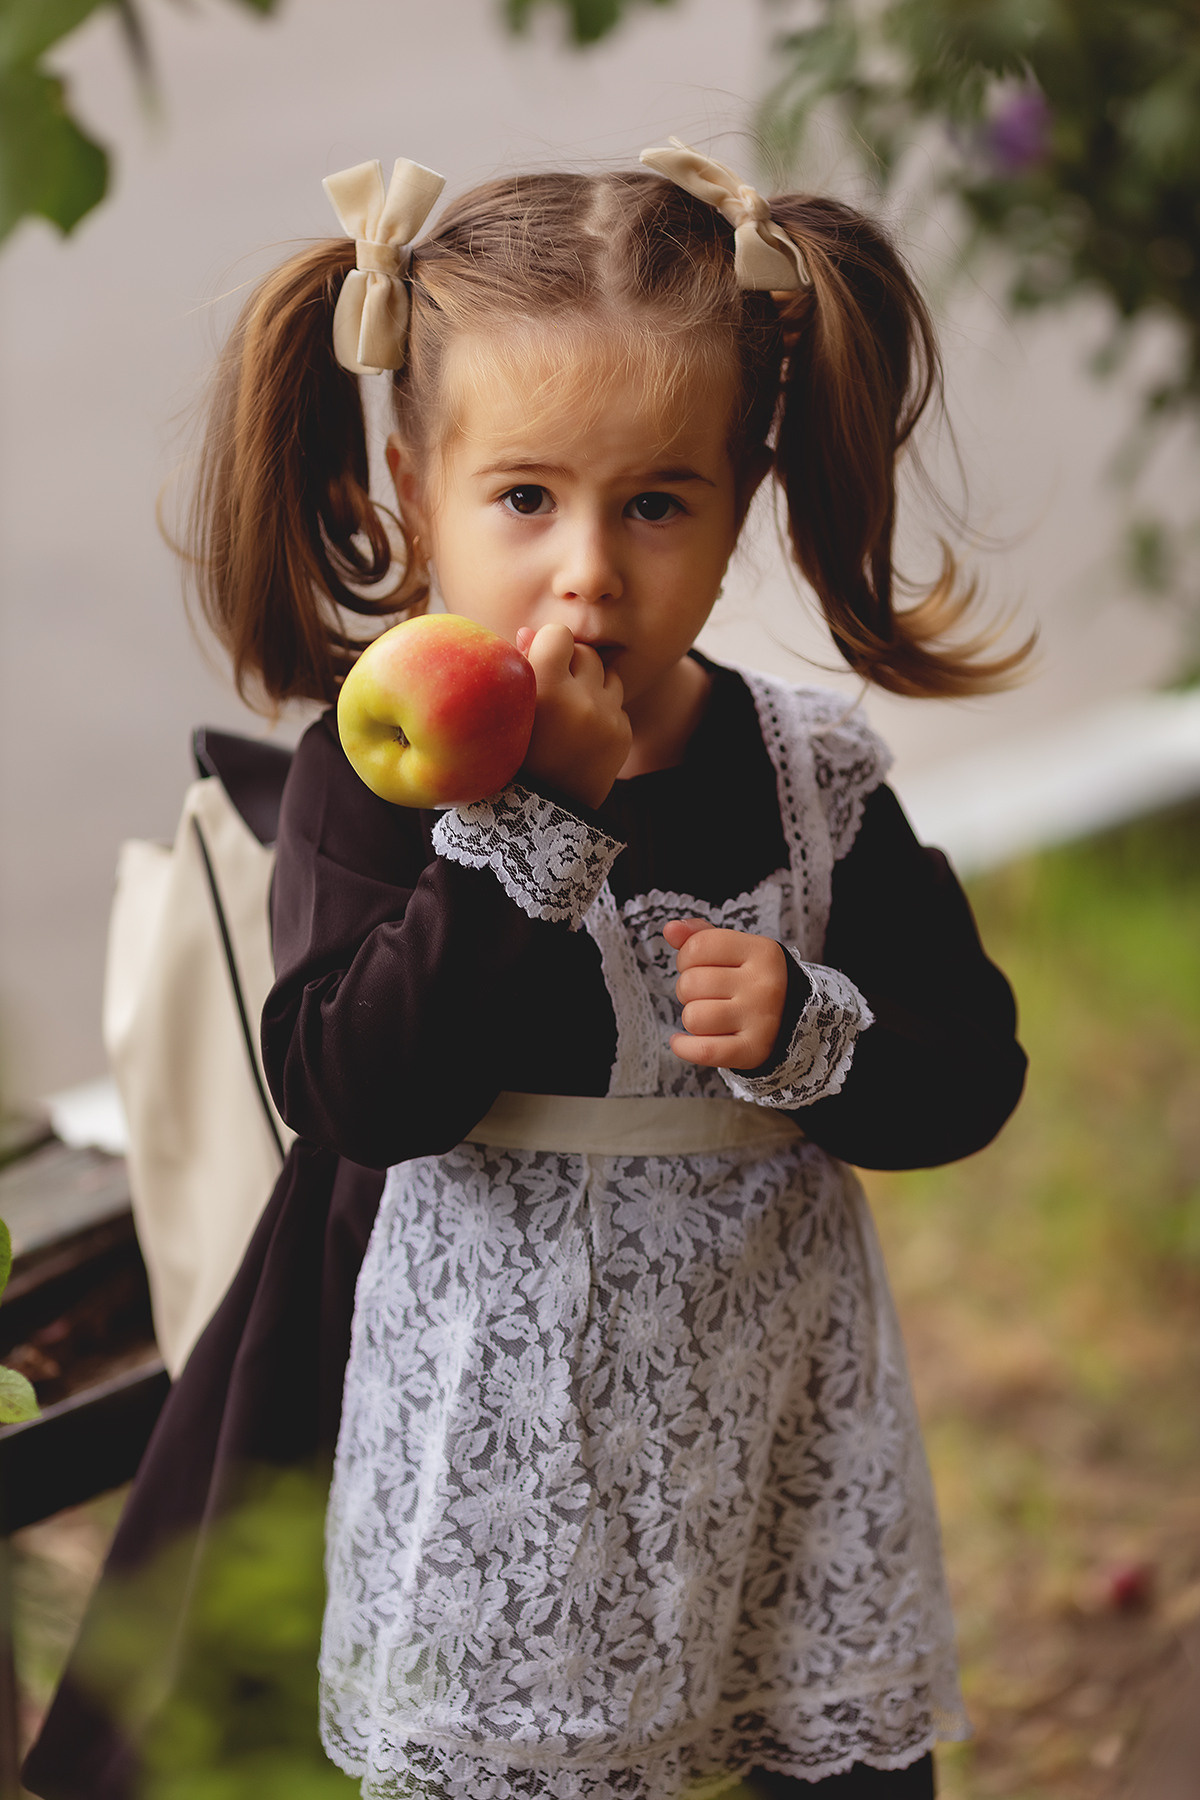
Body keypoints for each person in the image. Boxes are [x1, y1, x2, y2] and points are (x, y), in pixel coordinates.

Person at [24, 143, 1028, 1800]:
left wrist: (818, 1035)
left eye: (654, 503)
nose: (587, 569)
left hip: (762, 1400)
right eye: (524, 499)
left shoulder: (807, 774)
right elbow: (360, 1086)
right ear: (415, 490)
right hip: (501, 1434)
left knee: (810, 1753)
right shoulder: (388, 778)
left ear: (743, 500)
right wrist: (536, 826)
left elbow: (973, 1067)